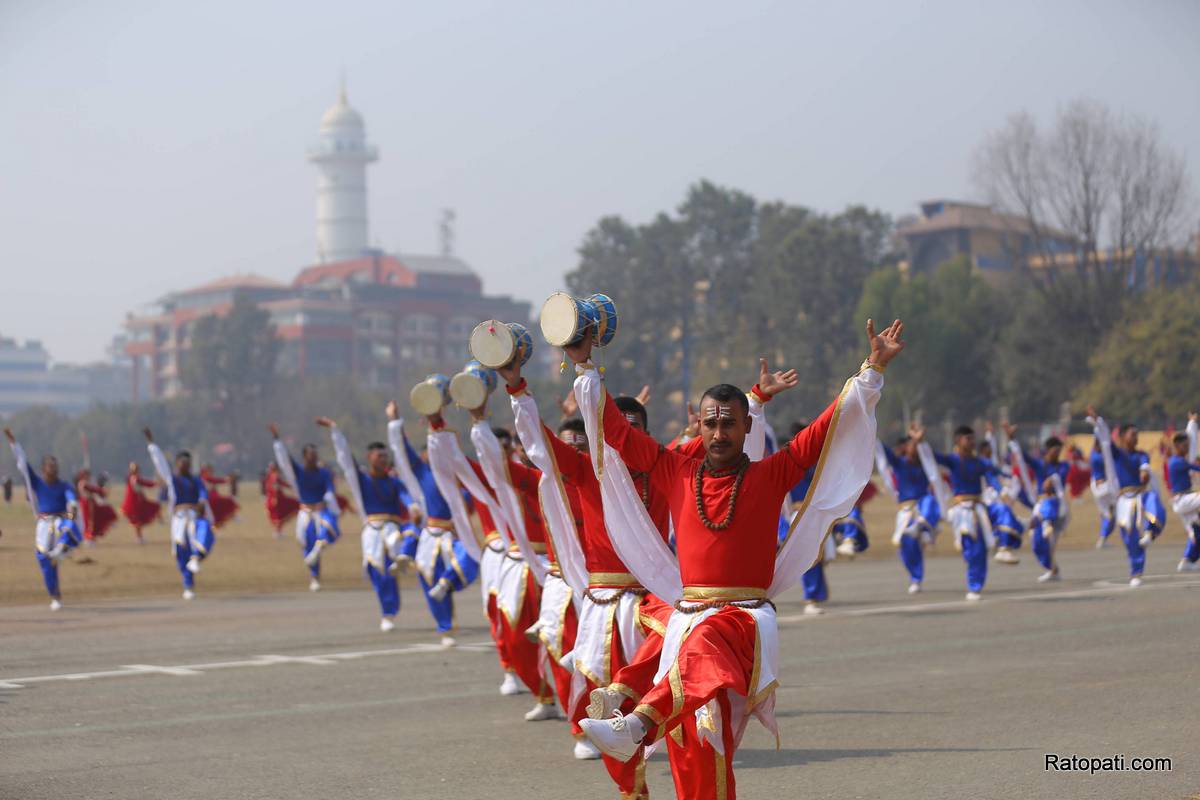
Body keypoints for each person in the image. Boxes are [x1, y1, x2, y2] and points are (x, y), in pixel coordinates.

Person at [573, 319, 900, 800]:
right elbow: (615, 432)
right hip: (690, 618)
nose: (719, 432)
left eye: (729, 422)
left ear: (747, 427)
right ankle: (639, 717)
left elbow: (829, 425)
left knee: (707, 656)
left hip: (741, 623)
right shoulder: (674, 469)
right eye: (711, 422)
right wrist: (583, 365)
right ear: (699, 425)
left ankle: (637, 723)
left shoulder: (773, 473)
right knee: (694, 743)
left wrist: (872, 368)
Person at [385, 401, 479, 646]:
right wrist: (395, 421)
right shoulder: (422, 471)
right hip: (430, 533)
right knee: (428, 578)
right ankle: (445, 629)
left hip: (454, 533)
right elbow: (402, 451)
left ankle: (448, 580)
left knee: (472, 557)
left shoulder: (458, 472)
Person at [317, 413, 418, 631]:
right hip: (371, 529)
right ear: (370, 457)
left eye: (385, 456)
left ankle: (401, 562)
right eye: (379, 456)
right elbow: (345, 457)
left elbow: (406, 497)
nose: (384, 459)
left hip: (392, 527)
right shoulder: (361, 479)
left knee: (399, 546)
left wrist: (412, 507)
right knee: (376, 570)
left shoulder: (394, 481)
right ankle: (387, 611)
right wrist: (335, 430)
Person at [912, 423, 998, 601]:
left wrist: (1001, 484)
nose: (972, 442)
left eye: (974, 438)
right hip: (960, 511)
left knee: (978, 549)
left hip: (977, 509)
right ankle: (974, 573)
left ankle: (975, 586)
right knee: (969, 548)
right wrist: (921, 443)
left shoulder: (980, 462)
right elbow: (932, 457)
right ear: (959, 441)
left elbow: (993, 473)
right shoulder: (953, 460)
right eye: (968, 439)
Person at [4, 426, 83, 610]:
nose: (54, 470)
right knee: (44, 558)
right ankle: (55, 595)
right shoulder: (37, 482)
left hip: (61, 520)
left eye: (56, 467)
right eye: (51, 467)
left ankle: (62, 549)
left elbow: (72, 503)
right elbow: (22, 461)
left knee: (68, 523)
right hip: (44, 524)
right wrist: (13, 442)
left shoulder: (65, 486)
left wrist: (71, 515)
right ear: (44, 469)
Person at [1086, 407, 1166, 587]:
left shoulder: (1141, 454)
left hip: (1141, 494)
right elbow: (1106, 439)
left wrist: (1144, 472)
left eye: (1137, 434)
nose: (1136, 437)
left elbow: (1144, 466)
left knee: (1154, 502)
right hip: (1123, 499)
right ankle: (1136, 573)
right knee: (1129, 536)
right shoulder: (1117, 453)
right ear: (1122, 437)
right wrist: (1098, 421)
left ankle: (1149, 533)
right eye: (1132, 434)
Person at [144, 428, 216, 599]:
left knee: (206, 531)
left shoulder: (196, 480)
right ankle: (188, 586)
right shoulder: (172, 479)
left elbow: (203, 495)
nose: (185, 466)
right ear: (177, 464)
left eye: (188, 463)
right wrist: (151, 444)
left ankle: (196, 558)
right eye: (182, 463)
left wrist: (201, 503)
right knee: (181, 552)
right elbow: (160, 463)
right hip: (179, 519)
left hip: (194, 516)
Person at [270, 423, 343, 591]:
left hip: (321, 510)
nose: (314, 458)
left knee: (327, 526)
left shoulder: (324, 473)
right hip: (306, 512)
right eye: (311, 456)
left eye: (316, 455)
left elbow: (330, 488)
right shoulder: (299, 471)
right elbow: (285, 459)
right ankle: (315, 577)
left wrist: (328, 498)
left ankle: (320, 546)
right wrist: (277, 439)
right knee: (308, 545)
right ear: (304, 457)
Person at [1004, 424, 1070, 582]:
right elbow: (1022, 456)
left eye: (1059, 450)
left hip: (1057, 506)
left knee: (1047, 530)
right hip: (1041, 505)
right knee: (1038, 542)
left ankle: (1042, 521)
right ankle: (1053, 570)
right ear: (1048, 450)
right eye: (1055, 450)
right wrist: (1012, 438)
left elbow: (1058, 479)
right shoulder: (1040, 464)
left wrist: (1051, 480)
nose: (1058, 453)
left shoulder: (1064, 466)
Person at [877, 431, 941, 594]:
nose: (914, 448)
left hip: (923, 507)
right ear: (906, 448)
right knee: (906, 545)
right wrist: (872, 431)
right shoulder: (900, 463)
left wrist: (921, 442)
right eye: (911, 445)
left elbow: (933, 460)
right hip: (906, 512)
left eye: (916, 445)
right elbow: (885, 453)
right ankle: (915, 578)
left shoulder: (927, 465)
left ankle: (924, 527)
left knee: (930, 500)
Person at [1168, 413, 1200, 572]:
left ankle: (1187, 561)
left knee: (1196, 532)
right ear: (1178, 446)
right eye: (1185, 445)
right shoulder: (1177, 462)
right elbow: (1196, 467)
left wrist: (1192, 423)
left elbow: (1192, 443)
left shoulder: (1181, 459)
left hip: (1185, 501)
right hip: (1182, 500)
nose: (1188, 447)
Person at [76, 468, 118, 543]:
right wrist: (101, 491)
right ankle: (88, 538)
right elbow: (93, 489)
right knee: (88, 521)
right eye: (87, 475)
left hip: (90, 503)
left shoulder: (85, 483)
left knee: (93, 520)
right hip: (86, 504)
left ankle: (91, 538)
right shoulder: (83, 483)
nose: (88, 476)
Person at [263, 462, 300, 538]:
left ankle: (278, 532)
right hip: (277, 499)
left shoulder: (270, 476)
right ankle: (278, 532)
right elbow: (275, 488)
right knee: (283, 514)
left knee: (281, 516)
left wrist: (292, 487)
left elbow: (282, 484)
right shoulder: (274, 476)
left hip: (275, 499)